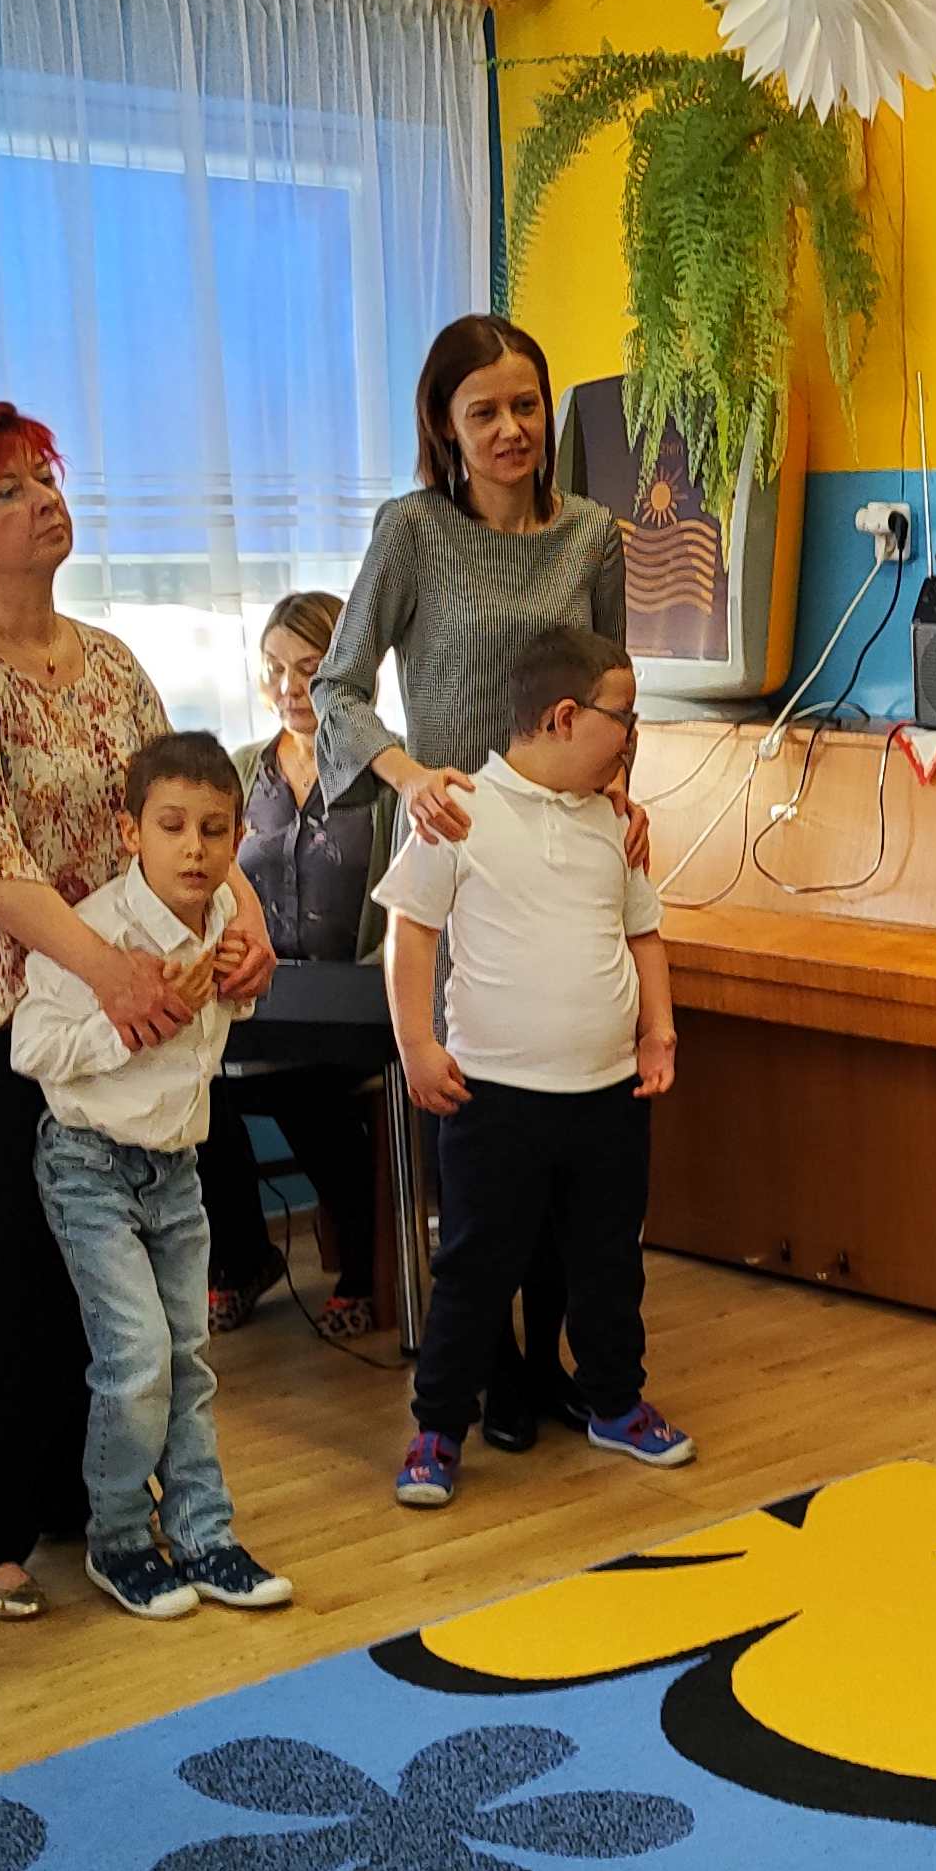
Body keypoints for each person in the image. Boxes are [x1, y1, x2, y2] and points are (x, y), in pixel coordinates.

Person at [0, 401, 272, 1622]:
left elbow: (182, 806)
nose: (44, 497)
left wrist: (245, 917)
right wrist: (109, 970)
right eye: (8, 489)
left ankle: (78, 1501)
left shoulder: (110, 662)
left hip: (105, 1010)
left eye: (43, 475)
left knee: (76, 1280)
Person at [310, 315, 642, 1455]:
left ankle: (548, 1365)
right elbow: (336, 688)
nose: (511, 429)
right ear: (444, 427)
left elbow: (616, 692)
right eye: (484, 411)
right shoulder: (411, 532)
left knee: (567, 1116)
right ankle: (488, 1369)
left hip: (567, 853)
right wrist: (409, 776)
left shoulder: (592, 535)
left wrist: (624, 797)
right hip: (456, 849)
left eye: (526, 405)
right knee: (482, 1132)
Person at [379, 626, 688, 1510]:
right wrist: (416, 1045)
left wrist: (659, 1031)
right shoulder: (458, 809)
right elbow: (411, 932)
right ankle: (439, 1427)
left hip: (608, 1095)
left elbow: (644, 933)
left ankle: (615, 1401)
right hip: (494, 1098)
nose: (632, 738)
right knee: (475, 1267)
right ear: (563, 716)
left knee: (607, 1262)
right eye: (623, 718)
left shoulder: (614, 824)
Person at [9, 729, 295, 1621]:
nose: (194, 848)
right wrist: (138, 1019)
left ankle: (204, 1533)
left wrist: (241, 987)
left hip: (177, 1170)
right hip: (89, 1166)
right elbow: (32, 1048)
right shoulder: (94, 932)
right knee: (135, 1359)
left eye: (214, 830)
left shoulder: (226, 920)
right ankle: (121, 1538)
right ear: (130, 831)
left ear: (237, 837)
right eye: (171, 826)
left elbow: (225, 1018)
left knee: (188, 1362)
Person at [206, 588, 396, 1348]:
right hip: (256, 1003)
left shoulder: (389, 777)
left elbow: (410, 909)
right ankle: (244, 1255)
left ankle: (364, 1269)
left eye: (309, 669)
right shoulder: (240, 771)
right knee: (192, 1084)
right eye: (274, 669)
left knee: (306, 1086)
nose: (288, 688)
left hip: (355, 1007)